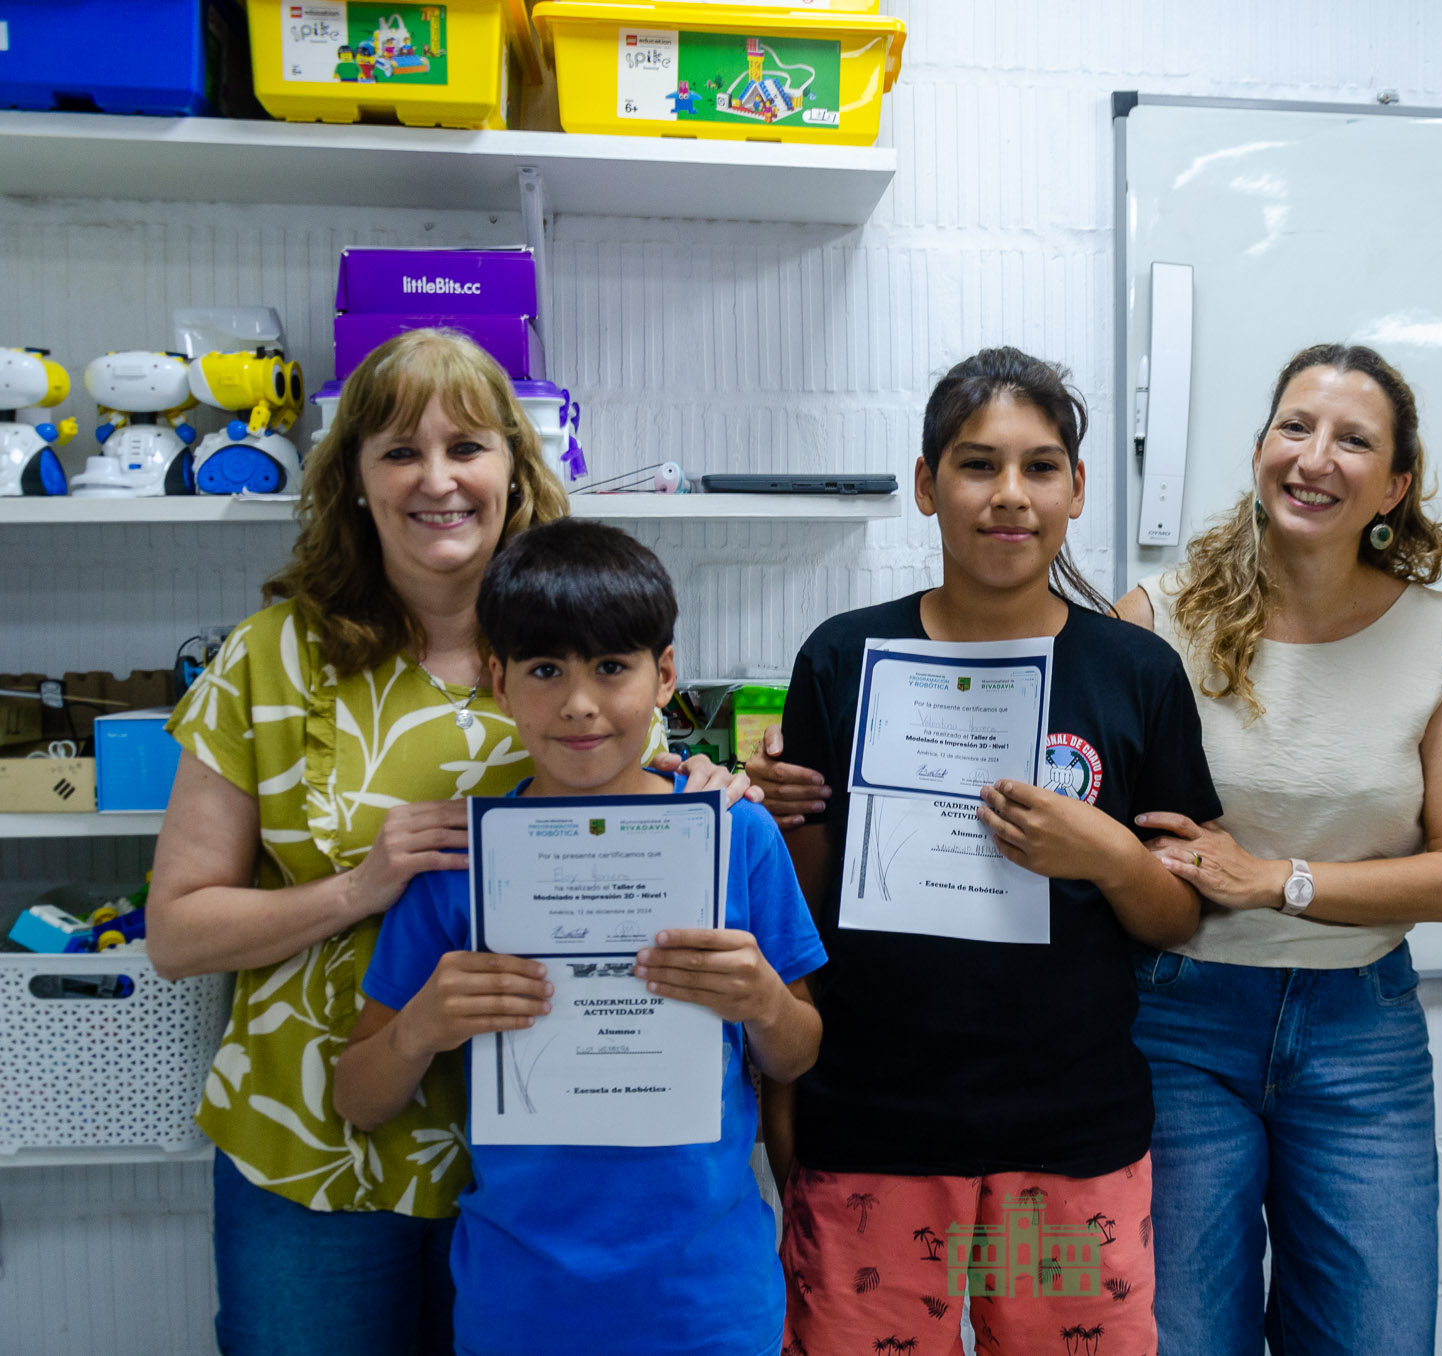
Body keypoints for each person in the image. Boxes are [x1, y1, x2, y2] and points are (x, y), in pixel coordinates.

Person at [148, 329, 742, 1356]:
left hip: (544, 1175)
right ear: (354, 480)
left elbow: (657, 833)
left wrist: (711, 792)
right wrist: (358, 887)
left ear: (514, 469)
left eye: (466, 447)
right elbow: (176, 933)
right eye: (399, 452)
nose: (437, 480)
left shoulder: (578, 643)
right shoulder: (267, 659)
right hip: (315, 1152)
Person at [754, 347, 1222, 1356]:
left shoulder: (1135, 672)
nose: (1010, 494)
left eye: (1039, 466)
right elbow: (801, 920)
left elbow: (1177, 919)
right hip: (873, 1133)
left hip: (1066, 1142)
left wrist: (1106, 854)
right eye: (977, 465)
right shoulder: (843, 658)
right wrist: (784, 1111)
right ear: (927, 485)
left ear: (1076, 488)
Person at [332, 519, 824, 1356]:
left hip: (708, 1305)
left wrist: (765, 1003)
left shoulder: (737, 836)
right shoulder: (460, 863)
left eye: (611, 667)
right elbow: (358, 1097)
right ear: (498, 681)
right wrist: (421, 1027)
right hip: (521, 1308)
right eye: (545, 670)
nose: (580, 704)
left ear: (665, 675)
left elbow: (798, 1054)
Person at [1108, 342, 1442, 1356]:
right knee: (1184, 1340)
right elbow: (1097, 830)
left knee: (1378, 1339)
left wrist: (1271, 879)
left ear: (1395, 485)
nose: (1315, 457)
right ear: (1259, 451)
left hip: (1359, 1028)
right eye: (1295, 426)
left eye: (1353, 440)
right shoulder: (1152, 620)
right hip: (1177, 1022)